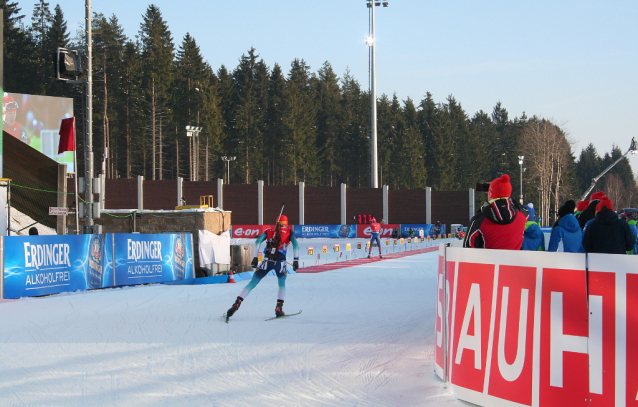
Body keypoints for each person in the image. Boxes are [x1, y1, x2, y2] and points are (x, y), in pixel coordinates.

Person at [225, 214, 299, 320]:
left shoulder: (269, 230)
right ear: (286, 223)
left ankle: (237, 303)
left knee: (252, 283)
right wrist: (296, 261)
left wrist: (255, 258)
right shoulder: (289, 232)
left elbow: (257, 241)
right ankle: (279, 307)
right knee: (281, 284)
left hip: (266, 261)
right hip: (280, 262)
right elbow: (296, 245)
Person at [463, 174, 528, 250]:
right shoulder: (522, 215)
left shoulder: (479, 220)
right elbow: (521, 207)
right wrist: (503, 192)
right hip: (514, 261)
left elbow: (468, 250)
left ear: (490, 194)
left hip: (488, 261)